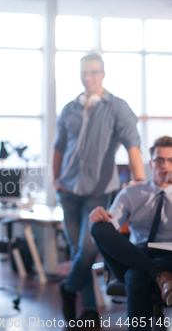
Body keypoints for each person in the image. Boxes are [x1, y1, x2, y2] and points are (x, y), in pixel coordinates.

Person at [52, 53, 146, 324]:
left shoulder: (117, 107)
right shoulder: (70, 108)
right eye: (84, 73)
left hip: (98, 190)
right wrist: (55, 179)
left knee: (88, 249)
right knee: (76, 251)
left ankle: (68, 290)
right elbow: (58, 146)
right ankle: (90, 310)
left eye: (93, 72)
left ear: (103, 74)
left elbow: (132, 144)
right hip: (68, 191)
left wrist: (139, 182)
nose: (88, 78)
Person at [90, 136, 172, 330]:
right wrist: (99, 215)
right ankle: (161, 275)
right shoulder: (131, 192)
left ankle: (159, 273)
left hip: (169, 256)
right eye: (160, 160)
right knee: (97, 226)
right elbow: (109, 225)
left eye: (171, 160)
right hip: (135, 254)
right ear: (151, 164)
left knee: (135, 276)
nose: (165, 166)